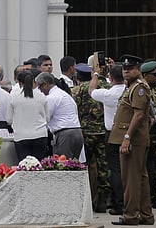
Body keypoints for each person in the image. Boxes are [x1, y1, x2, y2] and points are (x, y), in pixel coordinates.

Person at [109, 55, 155, 226]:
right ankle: (145, 214)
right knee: (140, 178)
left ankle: (130, 215)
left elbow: (139, 114)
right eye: (125, 69)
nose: (127, 71)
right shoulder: (132, 86)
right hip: (134, 138)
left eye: (131, 68)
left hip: (133, 139)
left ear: (138, 69)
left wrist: (127, 137)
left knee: (131, 179)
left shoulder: (139, 87)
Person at [89, 65, 125, 215]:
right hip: (129, 132)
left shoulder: (108, 94)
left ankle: (119, 204)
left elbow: (91, 90)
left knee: (115, 169)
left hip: (112, 133)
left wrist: (96, 74)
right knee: (132, 169)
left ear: (110, 78)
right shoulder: (129, 91)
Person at [72, 62, 108, 213]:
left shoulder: (77, 90)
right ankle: (102, 201)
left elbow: (74, 108)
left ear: (78, 76)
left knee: (84, 165)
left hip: (86, 132)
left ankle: (86, 200)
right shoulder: (105, 87)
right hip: (103, 131)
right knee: (103, 167)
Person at [36, 72, 83, 159]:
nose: (40, 90)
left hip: (65, 134)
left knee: (63, 165)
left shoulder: (51, 98)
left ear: (45, 85)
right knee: (74, 165)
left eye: (40, 87)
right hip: (77, 131)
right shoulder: (65, 95)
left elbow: (46, 118)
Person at [7, 70, 49, 161]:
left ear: (19, 82)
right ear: (33, 81)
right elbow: (47, 118)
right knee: (39, 166)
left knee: (24, 166)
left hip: (21, 136)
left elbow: (9, 119)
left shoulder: (14, 97)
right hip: (40, 135)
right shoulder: (41, 96)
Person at [140, 61, 156, 209]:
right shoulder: (141, 90)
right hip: (146, 135)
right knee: (146, 167)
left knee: (155, 166)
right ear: (146, 76)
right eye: (155, 75)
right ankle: (151, 196)